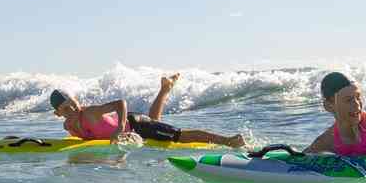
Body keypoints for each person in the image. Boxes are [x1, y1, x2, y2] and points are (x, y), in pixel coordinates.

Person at [49, 73, 245, 148]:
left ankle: (230, 140)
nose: (74, 108)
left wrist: (119, 129)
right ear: (58, 113)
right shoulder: (69, 126)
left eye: (73, 102)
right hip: (132, 127)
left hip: (135, 124)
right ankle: (165, 90)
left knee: (178, 136)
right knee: (155, 120)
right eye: (66, 108)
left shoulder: (90, 112)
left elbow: (121, 104)